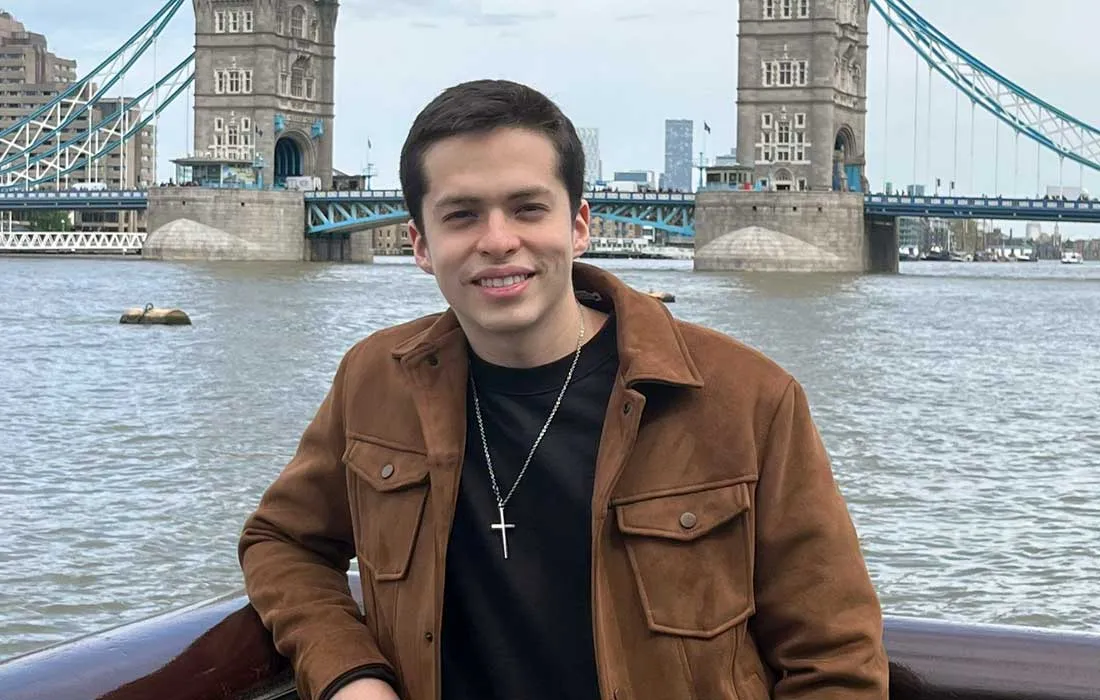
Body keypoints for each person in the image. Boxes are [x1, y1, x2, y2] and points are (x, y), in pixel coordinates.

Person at [238, 79, 890, 700]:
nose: (498, 241)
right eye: (461, 215)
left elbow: (835, 657)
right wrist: (349, 674)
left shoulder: (747, 399)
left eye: (528, 208)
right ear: (420, 244)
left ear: (579, 225)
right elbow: (283, 543)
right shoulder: (374, 379)